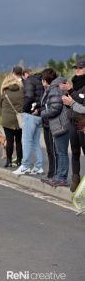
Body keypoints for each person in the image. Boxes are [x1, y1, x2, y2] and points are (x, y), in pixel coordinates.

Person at [39, 68, 69, 187]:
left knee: (61, 153)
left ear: (45, 80)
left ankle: (62, 177)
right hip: (57, 124)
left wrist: (42, 113)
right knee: (58, 152)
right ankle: (58, 176)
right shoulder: (54, 88)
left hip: (61, 124)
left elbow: (55, 108)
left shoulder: (55, 90)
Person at [59, 59, 85, 191]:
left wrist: (70, 91)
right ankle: (75, 179)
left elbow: (81, 101)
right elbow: (73, 99)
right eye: (76, 68)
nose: (77, 70)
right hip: (73, 121)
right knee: (74, 152)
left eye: (80, 67)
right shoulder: (75, 82)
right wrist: (67, 93)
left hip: (83, 122)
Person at [13, 71, 45, 175]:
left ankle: (25, 166)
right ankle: (38, 166)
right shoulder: (42, 82)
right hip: (39, 114)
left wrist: (25, 109)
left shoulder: (30, 81)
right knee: (35, 142)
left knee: (26, 141)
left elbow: (29, 96)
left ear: (25, 75)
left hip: (30, 114)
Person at [0, 74, 23, 167]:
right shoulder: (21, 91)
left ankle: (8, 161)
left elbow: (0, 105)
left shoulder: (4, 92)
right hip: (19, 119)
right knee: (18, 141)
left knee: (9, 140)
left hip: (7, 120)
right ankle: (19, 161)